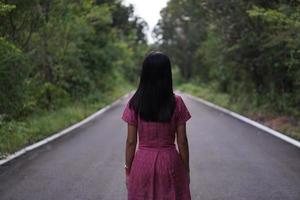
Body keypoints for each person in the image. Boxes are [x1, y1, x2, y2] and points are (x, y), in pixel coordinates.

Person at [121, 51, 192, 200]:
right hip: (171, 164)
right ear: (168, 74)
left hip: (142, 165)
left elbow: (131, 141)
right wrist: (185, 170)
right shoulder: (177, 102)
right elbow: (182, 141)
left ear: (144, 74)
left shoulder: (135, 103)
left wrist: (128, 169)